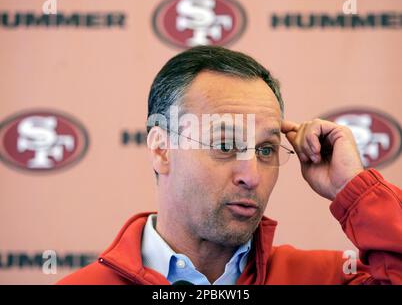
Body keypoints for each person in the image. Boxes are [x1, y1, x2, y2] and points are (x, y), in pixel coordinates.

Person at [58, 46, 402, 285]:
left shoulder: (326, 277)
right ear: (162, 149)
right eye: (225, 145)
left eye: (266, 149)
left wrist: (354, 190)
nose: (252, 176)